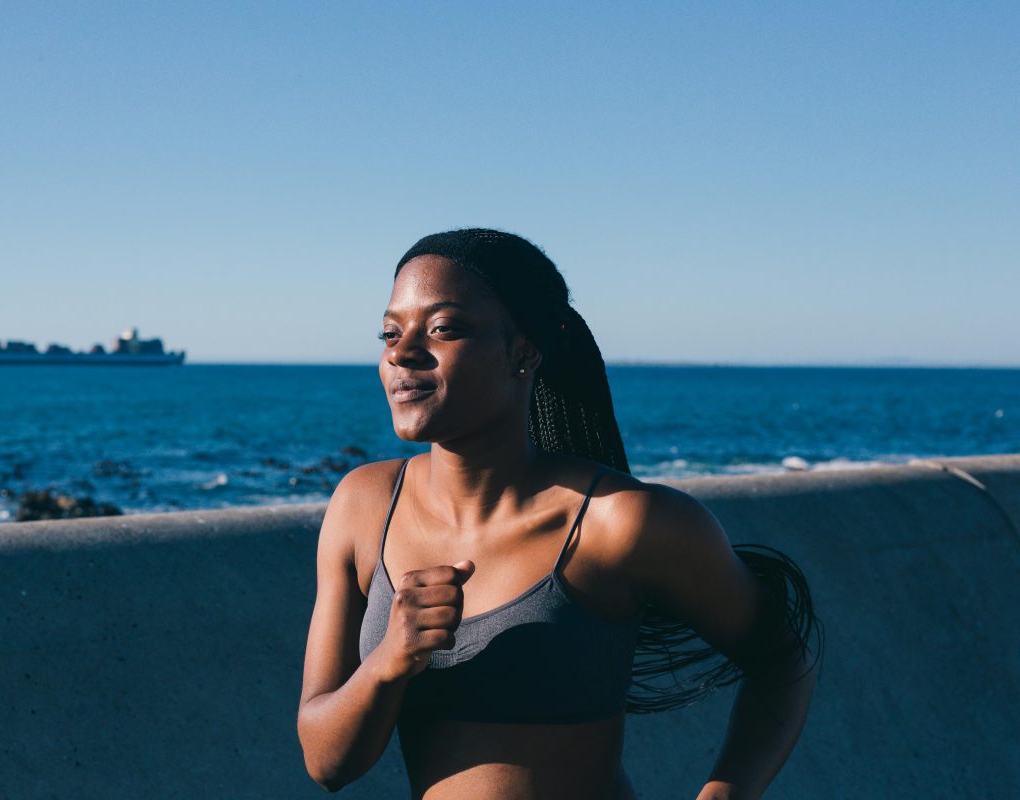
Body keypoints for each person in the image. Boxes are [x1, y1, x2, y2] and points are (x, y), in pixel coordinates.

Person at [297, 229, 820, 799]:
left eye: (442, 327)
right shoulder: (363, 506)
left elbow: (782, 659)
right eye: (390, 332)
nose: (401, 351)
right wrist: (388, 661)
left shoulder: (620, 523)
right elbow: (328, 764)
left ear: (524, 350)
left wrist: (727, 791)